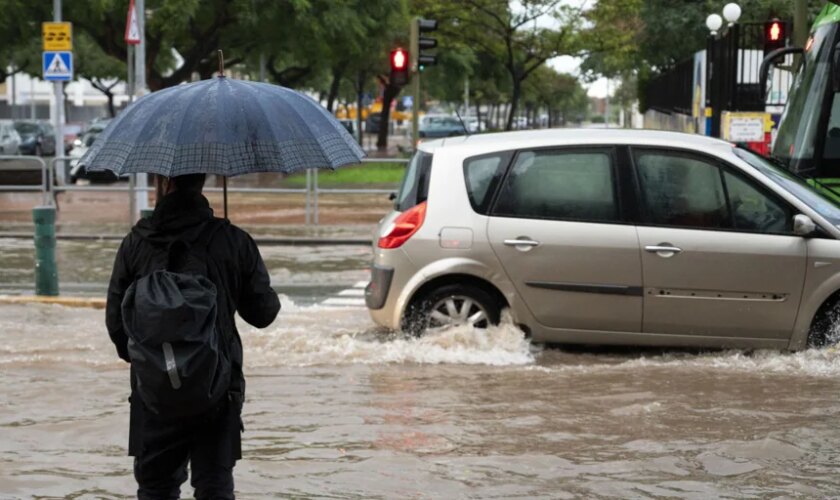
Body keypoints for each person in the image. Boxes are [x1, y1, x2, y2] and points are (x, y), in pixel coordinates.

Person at [106, 173, 280, 499]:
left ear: (161, 180)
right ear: (206, 179)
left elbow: (116, 327)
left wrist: (158, 360)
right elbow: (264, 314)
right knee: (214, 486)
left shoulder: (136, 242)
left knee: (156, 488)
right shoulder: (232, 239)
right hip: (218, 389)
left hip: (152, 391)